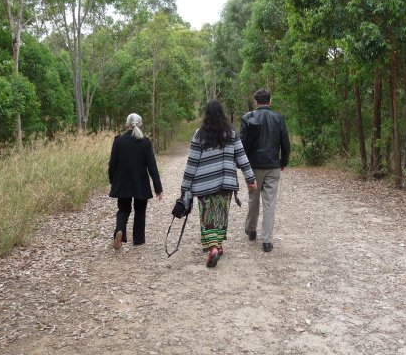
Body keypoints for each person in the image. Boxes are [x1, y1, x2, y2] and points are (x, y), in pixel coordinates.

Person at [181, 100, 257, 268]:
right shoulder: (231, 134)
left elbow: (192, 163)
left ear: (206, 116)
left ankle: (213, 248)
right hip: (226, 183)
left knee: (207, 215)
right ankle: (218, 245)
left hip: (204, 184)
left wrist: (185, 186)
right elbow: (242, 157)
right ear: (222, 115)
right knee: (221, 214)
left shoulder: (199, 135)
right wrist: (250, 178)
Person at [240, 88, 290, 253]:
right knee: (270, 203)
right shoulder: (278, 118)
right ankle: (267, 241)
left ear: (256, 102)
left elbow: (241, 144)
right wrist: (283, 161)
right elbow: (285, 143)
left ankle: (251, 230)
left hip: (253, 167)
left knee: (253, 199)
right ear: (270, 101)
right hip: (273, 166)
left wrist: (241, 164)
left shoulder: (247, 118)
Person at [108, 113, 163, 249]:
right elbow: (152, 167)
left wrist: (112, 181)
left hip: (122, 182)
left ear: (127, 124)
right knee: (140, 210)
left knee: (123, 209)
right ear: (140, 124)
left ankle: (120, 230)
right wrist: (158, 188)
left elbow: (112, 164)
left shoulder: (118, 140)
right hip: (140, 183)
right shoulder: (145, 142)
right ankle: (138, 240)